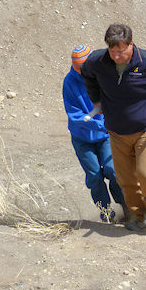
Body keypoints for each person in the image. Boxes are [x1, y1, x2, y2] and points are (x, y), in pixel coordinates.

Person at [81, 24, 146, 231]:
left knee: (145, 172)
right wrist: (97, 100)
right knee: (125, 179)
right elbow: (87, 74)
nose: (116, 56)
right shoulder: (98, 61)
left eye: (121, 51)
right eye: (112, 51)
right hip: (117, 132)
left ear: (131, 44)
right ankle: (139, 217)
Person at [62, 45, 128, 222]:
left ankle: (125, 206)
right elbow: (74, 114)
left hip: (106, 136)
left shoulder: (105, 75)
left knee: (113, 170)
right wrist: (99, 124)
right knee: (94, 176)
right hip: (82, 137)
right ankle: (106, 212)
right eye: (81, 69)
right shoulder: (69, 82)